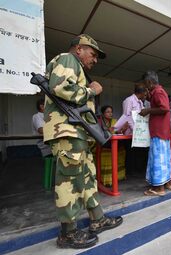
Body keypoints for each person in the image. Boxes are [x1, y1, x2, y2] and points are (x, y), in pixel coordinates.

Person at [43, 34, 122, 249]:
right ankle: (68, 233)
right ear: (79, 49)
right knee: (70, 182)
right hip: (67, 132)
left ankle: (97, 219)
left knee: (87, 178)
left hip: (77, 133)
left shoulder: (77, 66)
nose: (95, 60)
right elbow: (60, 87)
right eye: (93, 54)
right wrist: (91, 90)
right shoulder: (68, 59)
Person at [140, 71, 171, 196]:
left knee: (158, 159)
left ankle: (159, 188)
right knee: (164, 159)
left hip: (159, 132)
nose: (145, 86)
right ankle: (167, 183)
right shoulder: (157, 92)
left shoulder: (158, 91)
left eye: (145, 84)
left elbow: (164, 108)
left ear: (149, 82)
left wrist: (148, 110)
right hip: (161, 131)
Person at [121, 84, 148, 176]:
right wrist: (135, 130)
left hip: (139, 134)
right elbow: (127, 117)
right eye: (145, 93)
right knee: (130, 153)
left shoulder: (140, 102)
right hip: (131, 133)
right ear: (142, 92)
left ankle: (138, 171)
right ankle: (130, 173)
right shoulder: (129, 100)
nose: (146, 95)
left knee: (139, 153)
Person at [98, 105, 127, 186]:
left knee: (122, 148)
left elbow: (117, 132)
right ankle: (107, 181)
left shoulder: (115, 121)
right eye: (108, 112)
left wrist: (122, 129)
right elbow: (98, 134)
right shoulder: (99, 122)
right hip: (103, 144)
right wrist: (108, 131)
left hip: (113, 144)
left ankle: (118, 177)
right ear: (103, 114)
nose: (110, 114)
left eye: (111, 112)